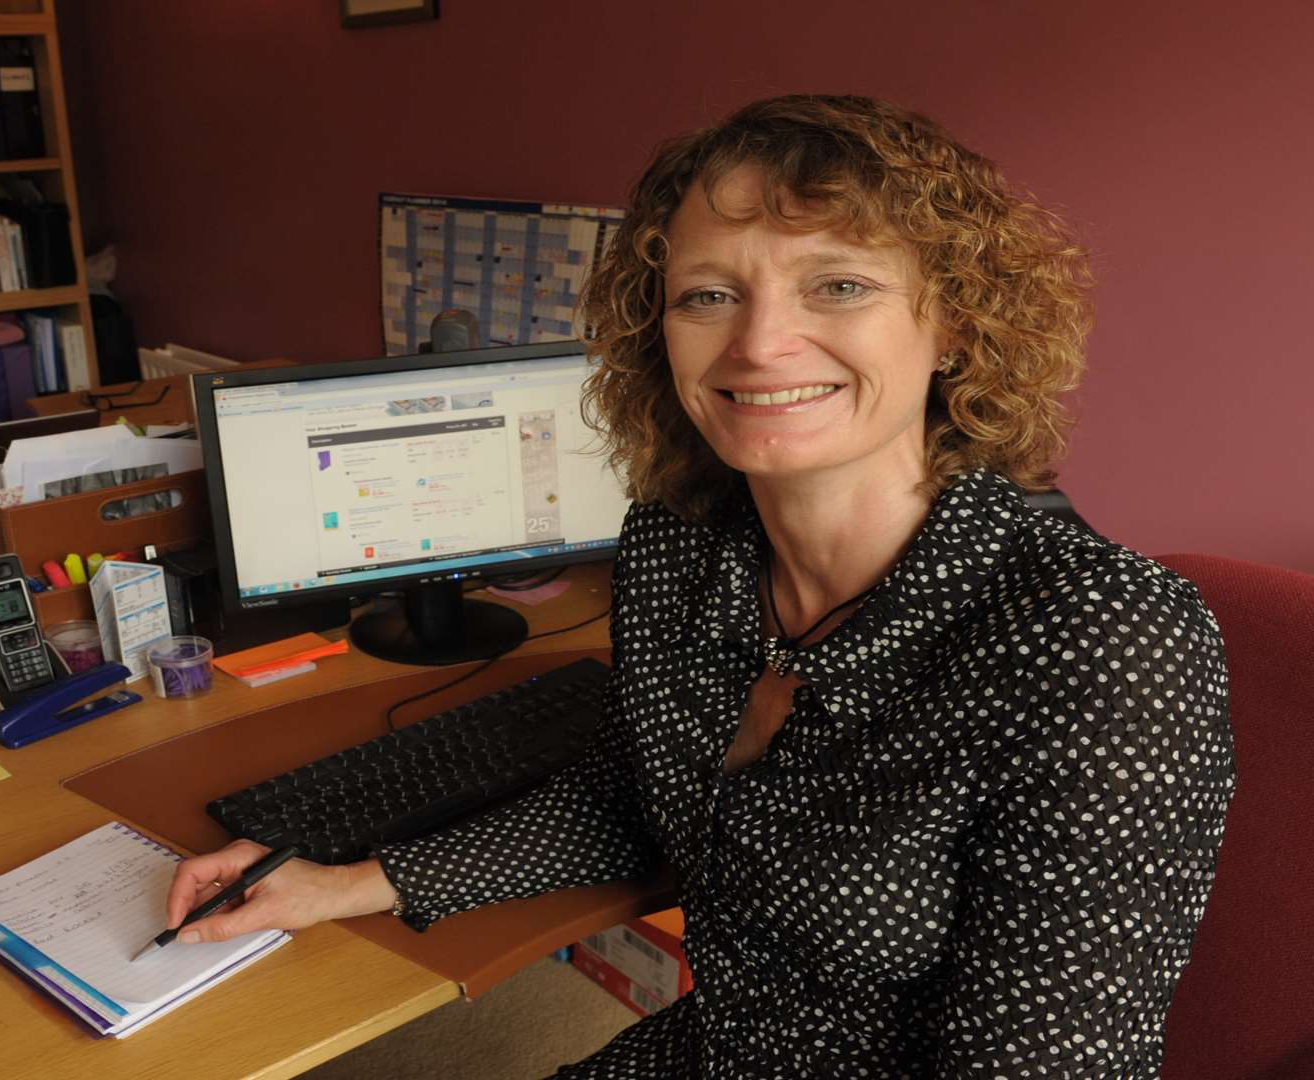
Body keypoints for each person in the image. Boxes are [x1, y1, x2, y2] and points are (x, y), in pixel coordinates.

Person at [166, 95, 1235, 1077]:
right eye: (710, 294)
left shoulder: (1101, 638)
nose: (762, 343)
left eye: (840, 284)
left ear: (952, 322)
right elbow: (643, 799)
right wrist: (350, 882)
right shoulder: (679, 552)